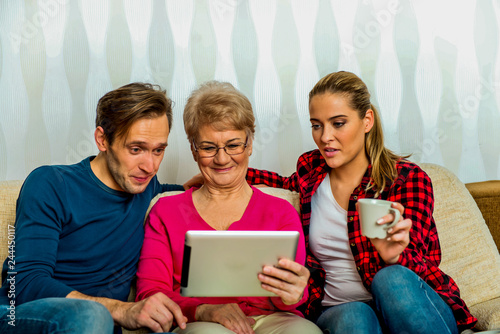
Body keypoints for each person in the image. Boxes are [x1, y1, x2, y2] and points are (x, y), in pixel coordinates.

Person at [246, 71, 478, 333]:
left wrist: (394, 256)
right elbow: (281, 182)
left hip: (410, 305)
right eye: (316, 125)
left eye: (338, 123)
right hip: (337, 309)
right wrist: (227, 169)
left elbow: (420, 263)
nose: (325, 137)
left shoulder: (407, 180)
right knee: (355, 316)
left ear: (367, 120)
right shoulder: (310, 169)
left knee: (391, 278)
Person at [0, 83, 192, 333]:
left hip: (97, 325)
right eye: (136, 149)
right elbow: (25, 283)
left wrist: (218, 178)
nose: (150, 165)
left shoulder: (147, 188)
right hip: (19, 316)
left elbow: (197, 190)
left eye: (158, 150)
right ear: (102, 140)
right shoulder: (51, 184)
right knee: (92, 315)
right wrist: (121, 310)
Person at [135, 81, 323, 334]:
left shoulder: (281, 211)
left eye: (233, 145)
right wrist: (202, 309)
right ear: (193, 148)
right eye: (208, 147)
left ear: (250, 144)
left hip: (273, 321)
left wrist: (293, 294)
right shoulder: (166, 211)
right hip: (198, 321)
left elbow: (289, 296)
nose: (222, 159)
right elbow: (150, 292)